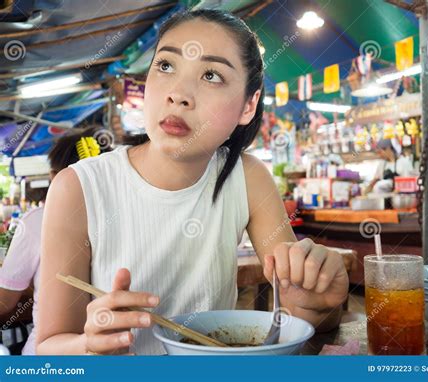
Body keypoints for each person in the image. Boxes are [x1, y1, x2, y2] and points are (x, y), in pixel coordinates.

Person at [37, 9, 349, 356]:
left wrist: (317, 304)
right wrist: (89, 347)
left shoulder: (246, 177)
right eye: (166, 66)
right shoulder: (77, 188)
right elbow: (50, 346)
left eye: (211, 75)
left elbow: (299, 309)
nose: (179, 94)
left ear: (248, 105)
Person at [0, 127, 106, 355]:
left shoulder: (37, 220)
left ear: (55, 176)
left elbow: (5, 301)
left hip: (49, 358)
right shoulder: (120, 218)